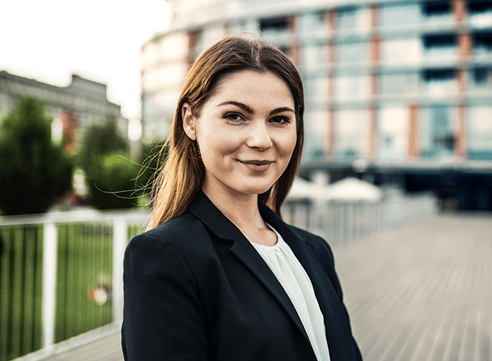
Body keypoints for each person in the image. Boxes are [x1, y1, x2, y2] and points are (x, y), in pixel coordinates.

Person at [121, 35, 362, 361]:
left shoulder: (315, 251)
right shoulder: (165, 257)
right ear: (191, 121)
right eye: (235, 116)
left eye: (279, 119)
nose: (261, 140)